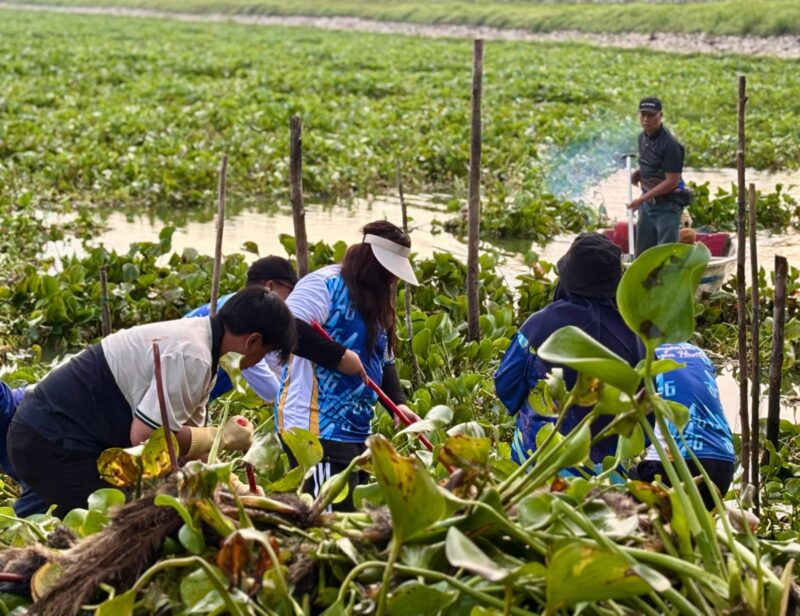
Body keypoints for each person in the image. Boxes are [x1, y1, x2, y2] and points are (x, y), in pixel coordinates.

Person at [7, 287, 296, 516]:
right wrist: (219, 437)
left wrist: (237, 489)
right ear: (252, 341)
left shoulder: (204, 347)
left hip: (51, 435)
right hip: (52, 441)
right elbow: (147, 438)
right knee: (125, 520)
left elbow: (191, 451)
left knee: (38, 524)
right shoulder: (192, 354)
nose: (258, 362)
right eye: (263, 354)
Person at [272, 221, 419, 510]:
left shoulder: (377, 300)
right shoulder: (324, 284)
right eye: (388, 271)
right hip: (314, 427)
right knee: (325, 518)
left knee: (350, 514)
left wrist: (397, 404)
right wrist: (338, 356)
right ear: (371, 262)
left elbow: (383, 359)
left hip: (358, 428)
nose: (392, 279)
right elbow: (283, 326)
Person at [495, 233, 645, 472]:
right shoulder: (636, 338)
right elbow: (646, 422)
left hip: (533, 464)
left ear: (568, 278)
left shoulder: (539, 324)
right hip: (605, 476)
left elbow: (506, 386)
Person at [634, 342, 735, 510]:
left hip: (676, 467)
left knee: (619, 491)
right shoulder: (698, 352)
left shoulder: (640, 353)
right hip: (723, 465)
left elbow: (637, 434)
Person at [185, 256, 298, 401]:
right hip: (184, 376)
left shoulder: (240, 302)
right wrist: (291, 401)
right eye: (291, 292)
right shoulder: (249, 314)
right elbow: (257, 370)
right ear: (270, 287)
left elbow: (273, 362)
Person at [628, 97, 689, 257]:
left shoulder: (670, 145)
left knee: (664, 255)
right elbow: (653, 163)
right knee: (643, 255)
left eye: (651, 115)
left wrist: (641, 200)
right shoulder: (642, 137)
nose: (646, 119)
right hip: (647, 205)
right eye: (643, 115)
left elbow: (672, 181)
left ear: (660, 116)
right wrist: (640, 172)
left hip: (667, 206)